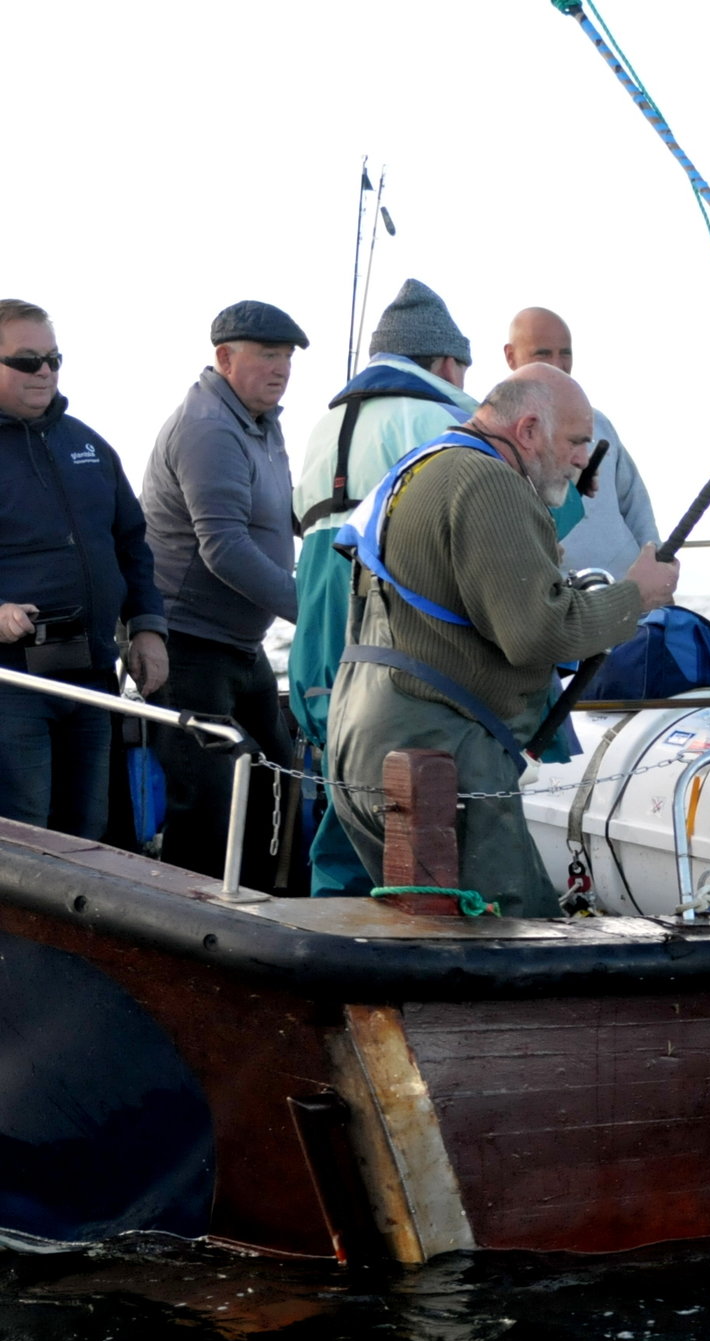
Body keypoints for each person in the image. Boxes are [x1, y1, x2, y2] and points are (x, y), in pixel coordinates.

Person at [327, 365, 676, 917]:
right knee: (514, 936)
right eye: (578, 441)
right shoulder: (489, 480)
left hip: (360, 741)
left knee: (428, 930)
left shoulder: (424, 465)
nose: (586, 459)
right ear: (530, 429)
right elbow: (538, 633)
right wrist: (636, 596)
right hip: (436, 756)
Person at [291, 277, 479, 893]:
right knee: (401, 793)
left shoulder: (327, 425)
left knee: (340, 787)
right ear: (448, 362)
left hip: (319, 632)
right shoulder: (441, 415)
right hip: (390, 636)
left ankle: (328, 922)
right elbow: (482, 522)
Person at [139, 301, 308, 887]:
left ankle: (265, 913)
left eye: (287, 356)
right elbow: (224, 547)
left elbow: (284, 513)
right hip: (188, 645)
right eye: (268, 354)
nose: (281, 367)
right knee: (210, 803)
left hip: (241, 644)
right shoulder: (209, 428)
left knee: (278, 772)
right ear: (225, 357)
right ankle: (193, 933)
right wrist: (314, 614)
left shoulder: (263, 422)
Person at [0, 298, 169, 838]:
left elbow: (133, 545)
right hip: (11, 686)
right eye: (27, 361)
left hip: (91, 678)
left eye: (54, 358)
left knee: (86, 837)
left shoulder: (89, 445)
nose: (45, 371)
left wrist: (147, 627)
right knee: (23, 838)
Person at [503, 306, 659, 577]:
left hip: (634, 595)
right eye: (542, 354)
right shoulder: (498, 437)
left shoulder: (599, 423)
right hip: (568, 602)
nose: (557, 364)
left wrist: (655, 560)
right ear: (510, 356)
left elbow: (635, 504)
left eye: (565, 353)